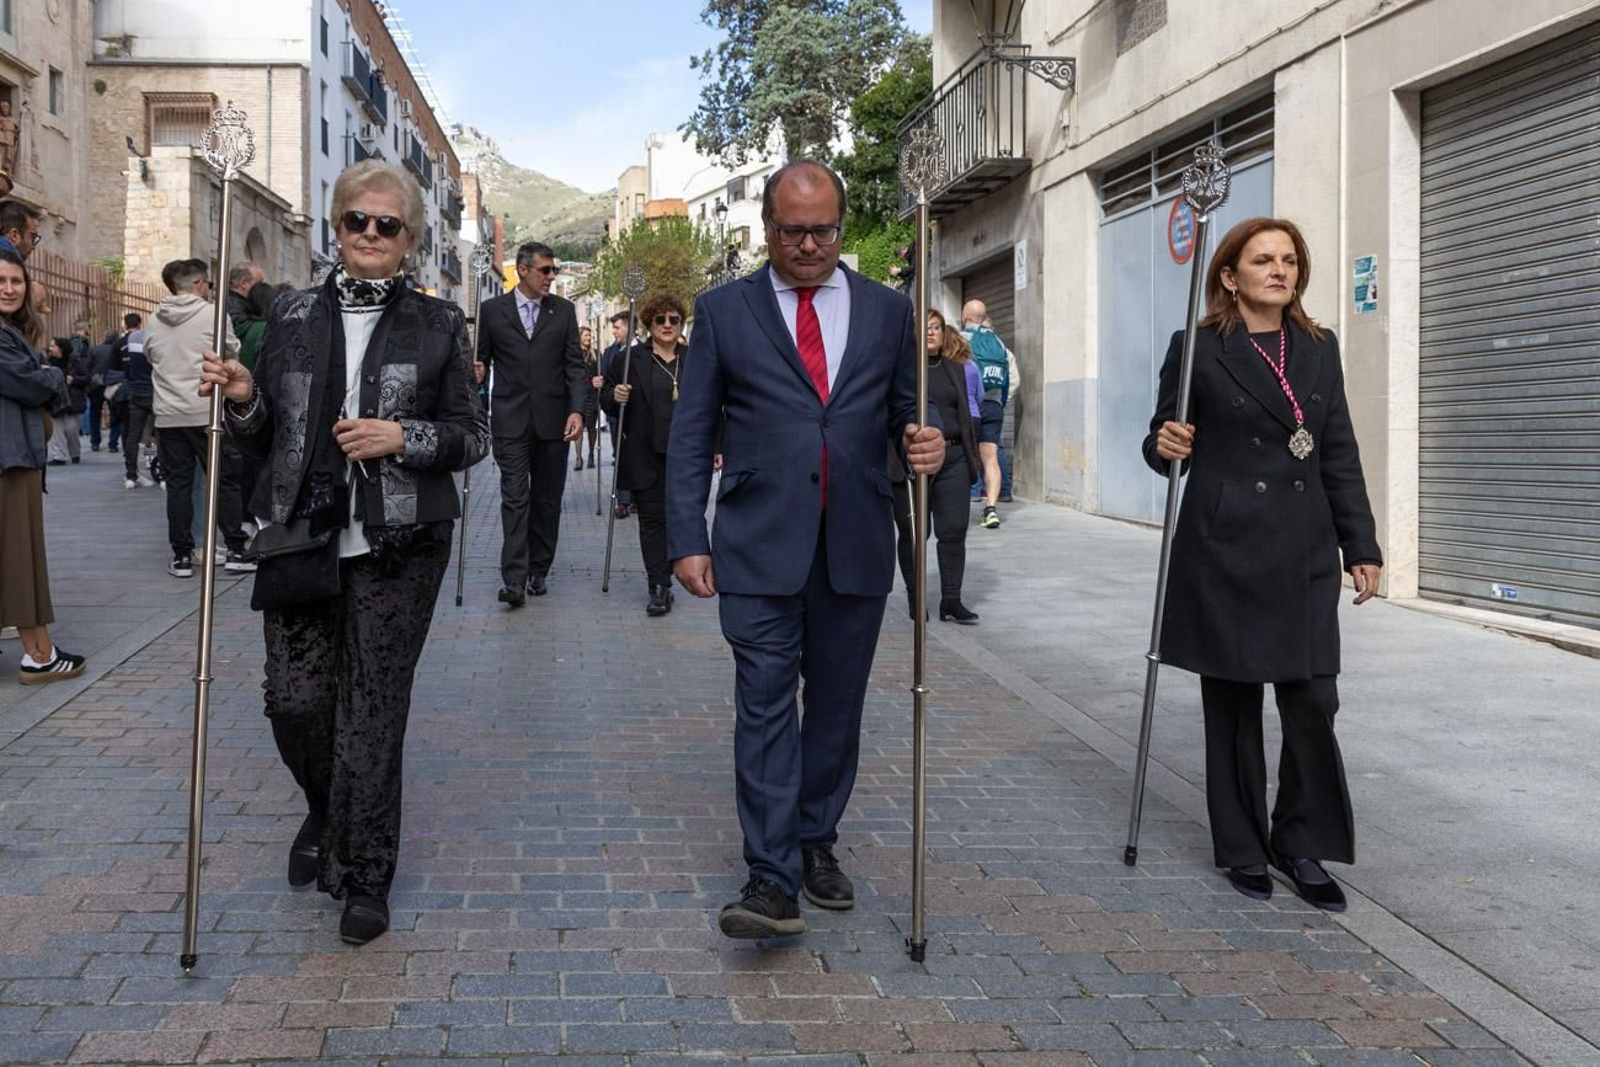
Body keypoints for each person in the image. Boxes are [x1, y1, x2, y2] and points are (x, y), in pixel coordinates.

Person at [201, 159, 488, 945]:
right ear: (335, 227)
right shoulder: (290, 315)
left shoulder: (439, 325)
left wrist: (405, 436)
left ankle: (366, 876)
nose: (369, 234)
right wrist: (241, 397)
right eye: (356, 220)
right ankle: (326, 808)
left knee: (371, 714)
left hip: (400, 543)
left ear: (410, 242)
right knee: (296, 704)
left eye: (386, 225)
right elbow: (264, 435)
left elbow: (473, 436)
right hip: (303, 533)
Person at [667, 160, 944, 939]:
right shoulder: (724, 310)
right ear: (769, 230)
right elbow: (692, 433)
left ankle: (815, 836)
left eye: (824, 230)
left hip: (854, 541)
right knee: (762, 707)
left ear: (842, 229)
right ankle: (770, 876)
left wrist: (925, 442)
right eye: (794, 232)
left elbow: (903, 410)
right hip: (757, 544)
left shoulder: (890, 312)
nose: (810, 246)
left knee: (835, 711)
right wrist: (687, 536)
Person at [1144, 216, 1382, 913]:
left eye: (1289, 260)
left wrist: (1359, 544)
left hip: (1305, 549)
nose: (1279, 271)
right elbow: (1161, 447)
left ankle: (1299, 840)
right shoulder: (1197, 347)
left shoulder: (1319, 346)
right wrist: (1168, 442)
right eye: (1262, 260)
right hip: (1226, 549)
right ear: (1229, 275)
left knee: (1313, 701)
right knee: (1234, 706)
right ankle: (1243, 844)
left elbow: (1338, 448)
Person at [472, 240, 586, 608]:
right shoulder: (491, 311)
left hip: (554, 421)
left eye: (554, 270)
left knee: (547, 501)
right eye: (545, 270)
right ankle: (514, 580)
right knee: (515, 498)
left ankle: (539, 568)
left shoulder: (564, 312)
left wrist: (577, 411)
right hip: (510, 420)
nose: (552, 277)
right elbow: (481, 362)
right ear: (522, 270)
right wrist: (474, 371)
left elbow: (574, 367)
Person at [0, 246, 85, 683]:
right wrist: (51, 375)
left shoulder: (11, 331)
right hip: (10, 460)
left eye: (16, 281)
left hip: (16, 455)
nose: (10, 289)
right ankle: (39, 653)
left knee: (16, 555)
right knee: (21, 556)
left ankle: (39, 649)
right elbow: (31, 383)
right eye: (1, 281)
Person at [145, 258, 253, 576]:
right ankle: (235, 547)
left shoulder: (154, 319)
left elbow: (152, 356)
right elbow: (232, 350)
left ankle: (181, 555)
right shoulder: (213, 314)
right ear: (201, 284)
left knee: (178, 485)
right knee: (225, 480)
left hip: (168, 413)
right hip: (206, 410)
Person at [601, 293, 692, 617]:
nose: (667, 325)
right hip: (644, 451)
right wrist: (614, 394)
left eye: (674, 320)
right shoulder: (629, 360)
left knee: (679, 519)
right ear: (649, 323)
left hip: (686, 455)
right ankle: (659, 585)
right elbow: (605, 399)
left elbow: (715, 404)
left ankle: (674, 572)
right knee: (652, 520)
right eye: (660, 320)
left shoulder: (694, 357)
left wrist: (719, 446)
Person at [893, 311, 981, 625]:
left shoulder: (955, 369)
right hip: (913, 460)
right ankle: (916, 599)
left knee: (954, 530)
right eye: (923, 328)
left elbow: (969, 413)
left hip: (954, 455)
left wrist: (974, 458)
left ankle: (951, 600)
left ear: (944, 333)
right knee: (915, 533)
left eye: (936, 327)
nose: (930, 333)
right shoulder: (901, 371)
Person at [961, 300, 1022, 524]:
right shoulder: (998, 342)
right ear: (983, 317)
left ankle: (965, 500)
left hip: (970, 407)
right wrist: (1001, 403)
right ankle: (991, 509)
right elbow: (1009, 377)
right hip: (994, 406)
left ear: (964, 317)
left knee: (964, 454)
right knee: (991, 458)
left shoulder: (961, 339)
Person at [109, 313, 156, 490]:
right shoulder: (152, 339)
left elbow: (115, 368)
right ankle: (156, 466)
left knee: (131, 435)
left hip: (132, 392)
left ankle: (131, 473)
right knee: (155, 434)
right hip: (153, 390)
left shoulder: (122, 343)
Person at [599, 312, 633, 518]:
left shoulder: (644, 349)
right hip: (616, 414)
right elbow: (606, 383)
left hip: (640, 415)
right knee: (620, 455)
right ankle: (623, 500)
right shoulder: (610, 352)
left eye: (618, 327)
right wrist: (601, 386)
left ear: (629, 327)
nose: (614, 332)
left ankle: (638, 498)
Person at [44, 337, 86, 465]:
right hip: (55, 399)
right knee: (56, 429)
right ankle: (60, 456)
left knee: (71, 429)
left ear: (61, 348)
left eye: (53, 346)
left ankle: (75, 453)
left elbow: (86, 377)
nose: (50, 348)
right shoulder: (48, 362)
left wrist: (73, 380)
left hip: (72, 398)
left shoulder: (74, 360)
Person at [573, 324, 600, 471]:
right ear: (580, 337)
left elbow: (601, 373)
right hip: (579, 395)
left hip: (592, 395)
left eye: (590, 336)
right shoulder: (575, 354)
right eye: (586, 335)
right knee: (578, 426)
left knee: (591, 427)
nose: (588, 338)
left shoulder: (596, 354)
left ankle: (591, 454)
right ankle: (578, 457)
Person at [226, 261, 265, 329]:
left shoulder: (225, 301)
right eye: (259, 283)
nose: (262, 287)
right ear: (244, 283)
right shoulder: (237, 310)